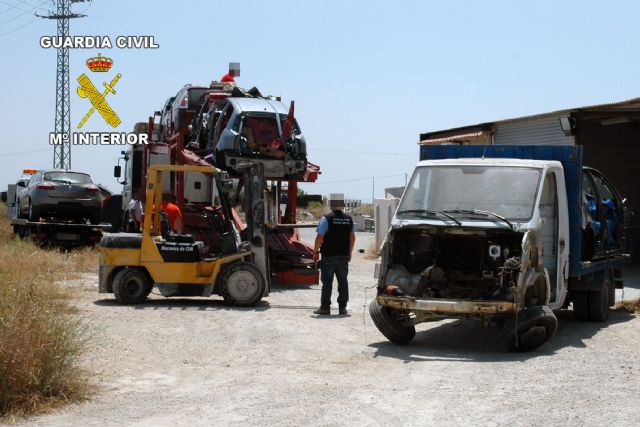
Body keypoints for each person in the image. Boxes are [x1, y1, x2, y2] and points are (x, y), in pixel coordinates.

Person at [312, 193, 356, 315]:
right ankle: (342, 308)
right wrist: (349, 253)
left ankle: (325, 308)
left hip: (328, 256)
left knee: (327, 282)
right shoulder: (349, 219)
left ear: (331, 205)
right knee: (343, 281)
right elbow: (352, 238)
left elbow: (319, 237)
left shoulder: (326, 218)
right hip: (343, 256)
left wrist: (315, 252)